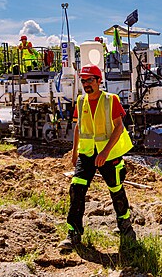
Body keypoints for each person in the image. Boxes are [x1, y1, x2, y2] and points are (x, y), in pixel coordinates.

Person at [58, 64, 136, 250]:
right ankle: (73, 233)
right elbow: (78, 127)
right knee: (76, 189)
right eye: (83, 81)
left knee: (116, 189)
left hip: (108, 154)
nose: (86, 84)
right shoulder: (80, 101)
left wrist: (105, 152)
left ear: (99, 81)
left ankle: (125, 227)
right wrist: (74, 151)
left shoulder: (111, 100)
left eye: (90, 80)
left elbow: (119, 127)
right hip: (86, 154)